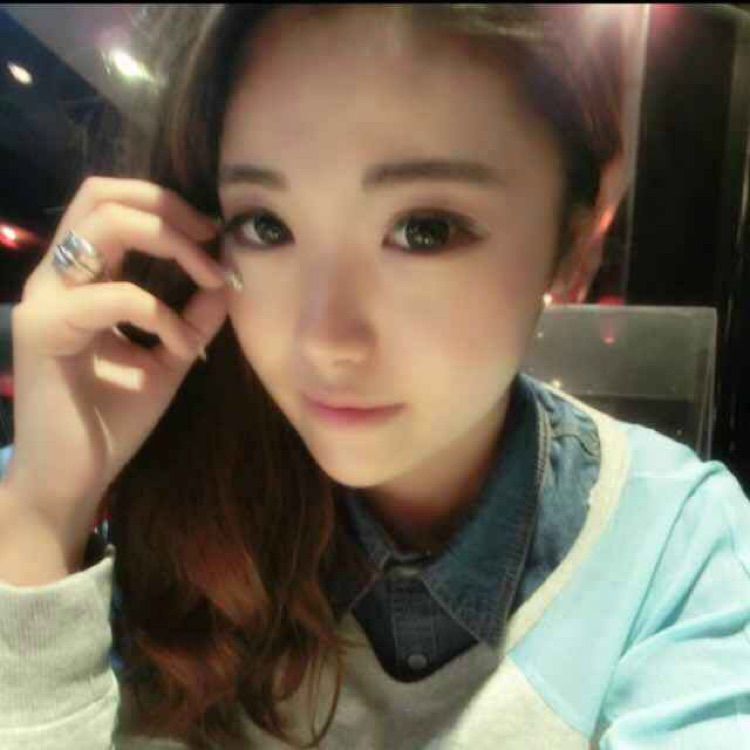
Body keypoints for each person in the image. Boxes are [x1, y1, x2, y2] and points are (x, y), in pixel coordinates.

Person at [0, 4, 748, 749]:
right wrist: (45, 511)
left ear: (577, 243)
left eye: (425, 229)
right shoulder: (117, 486)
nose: (325, 341)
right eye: (265, 225)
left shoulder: (671, 551)